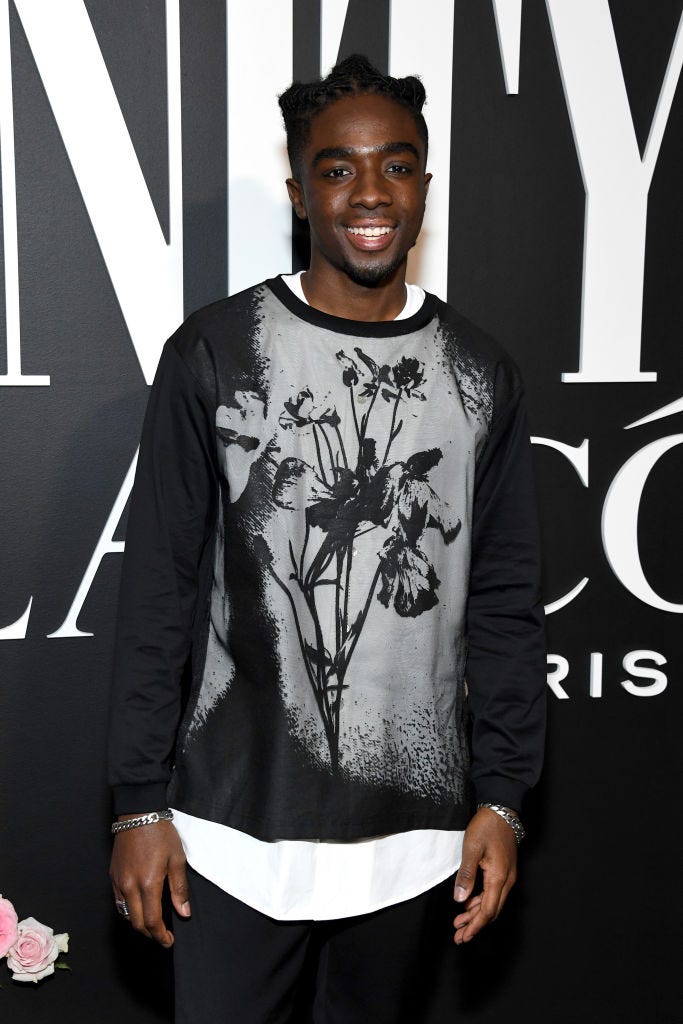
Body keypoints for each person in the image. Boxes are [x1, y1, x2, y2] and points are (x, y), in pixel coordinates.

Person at [108, 54, 546, 1023]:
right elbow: (157, 598)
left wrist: (503, 796)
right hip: (229, 841)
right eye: (338, 169)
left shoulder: (480, 377)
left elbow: (507, 606)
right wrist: (138, 801)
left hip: (409, 844)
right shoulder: (214, 355)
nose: (368, 193)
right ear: (301, 190)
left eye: (394, 165)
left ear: (424, 186)